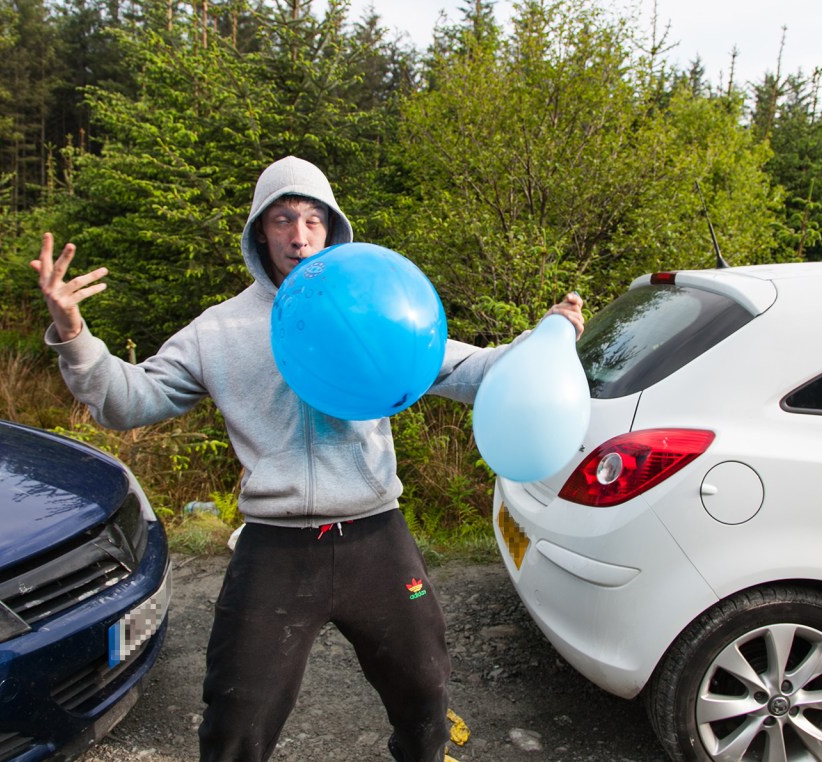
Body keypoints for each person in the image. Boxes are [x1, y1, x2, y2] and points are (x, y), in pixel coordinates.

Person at [31, 156, 584, 762]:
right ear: (259, 232)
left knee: (425, 689)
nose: (299, 235)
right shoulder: (218, 331)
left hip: (375, 534)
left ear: (333, 229)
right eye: (283, 219)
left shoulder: (373, 305)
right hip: (277, 547)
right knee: (236, 720)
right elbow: (126, 400)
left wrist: (544, 339)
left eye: (314, 220)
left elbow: (469, 370)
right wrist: (73, 332)